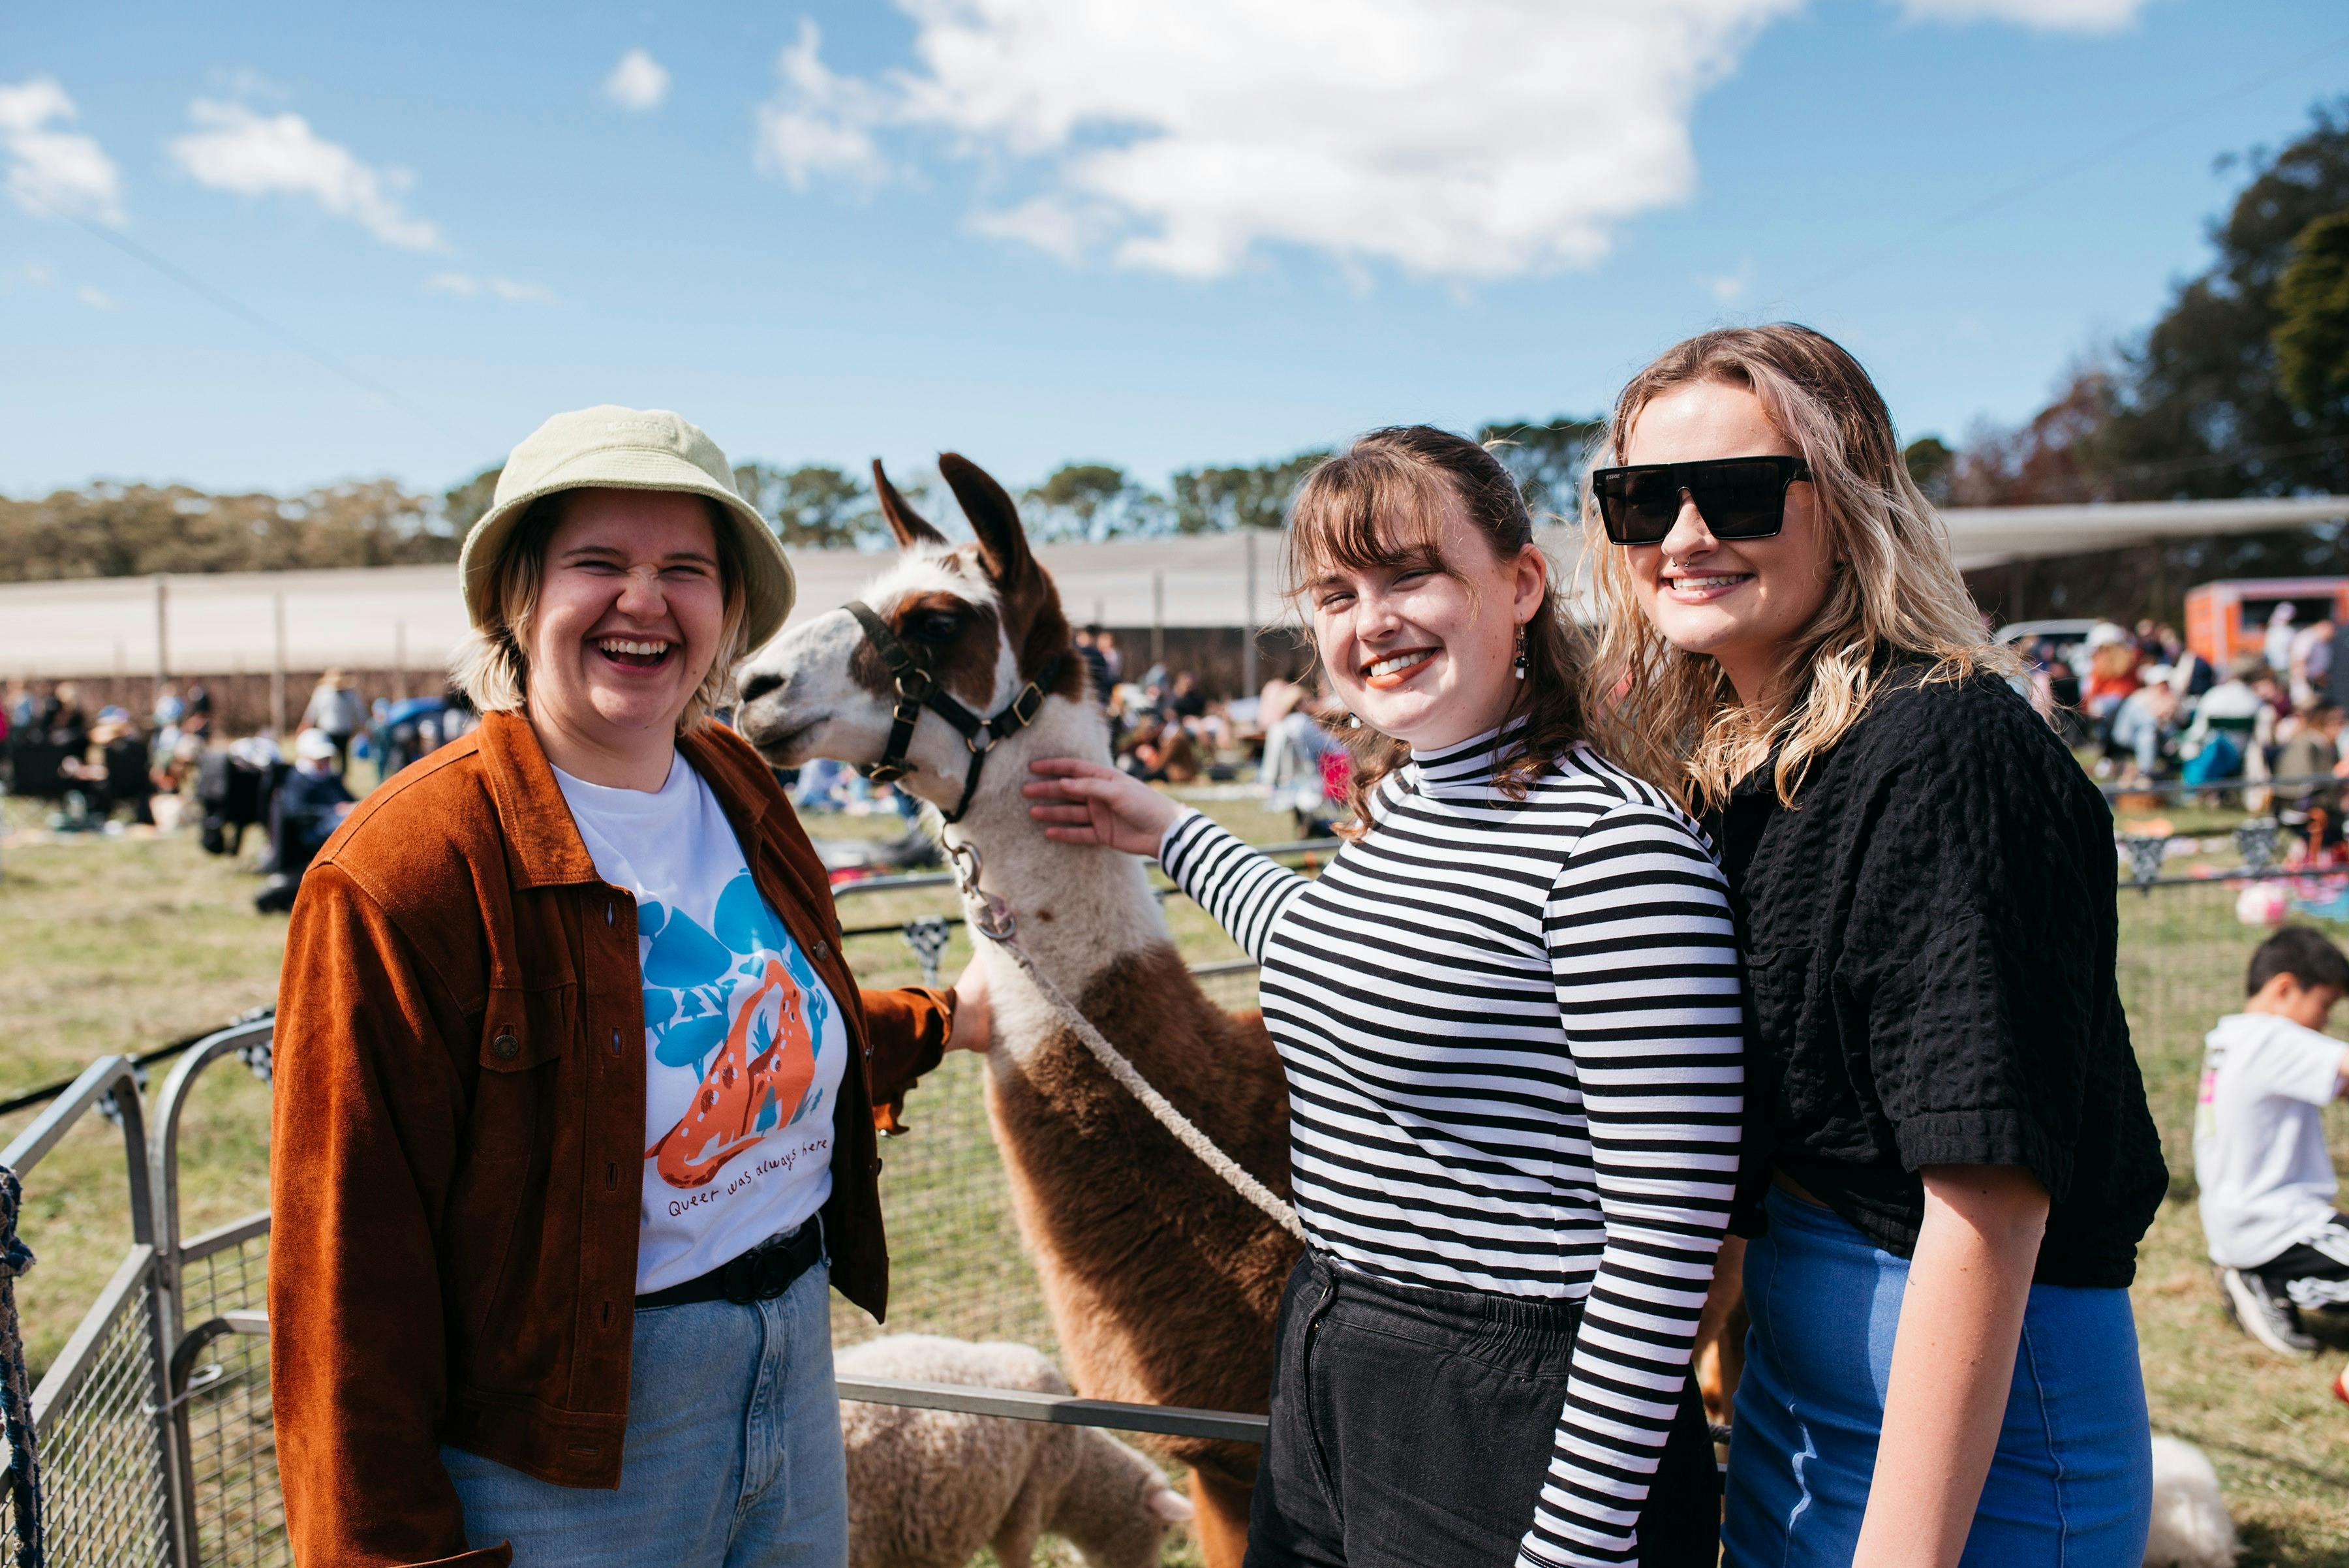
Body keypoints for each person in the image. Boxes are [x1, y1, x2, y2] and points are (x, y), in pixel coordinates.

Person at [268, 406, 988, 1568]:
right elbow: (348, 1265)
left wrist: (936, 1023)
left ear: (728, 611)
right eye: (599, 562)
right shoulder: (407, 871)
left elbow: (748, 1038)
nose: (644, 601)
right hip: (578, 1440)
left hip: (795, 1361)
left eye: (686, 570)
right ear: (516, 595)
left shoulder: (739, 784)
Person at [1023, 424, 1742, 1567]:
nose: (1374, 621)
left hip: (1516, 1412)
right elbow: (1321, 945)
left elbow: (1667, 1236)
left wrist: (1578, 1538)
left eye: (1413, 574)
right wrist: (1164, 828)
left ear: (1519, 582)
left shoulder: (1616, 856)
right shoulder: (1403, 813)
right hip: (1336, 1347)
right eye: (1337, 592)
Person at [1584, 324, 2166, 1567]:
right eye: (1642, 502)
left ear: (1848, 502)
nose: (1685, 537)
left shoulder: (1947, 749)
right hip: (1793, 1396)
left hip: (1976, 1436)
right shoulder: (1732, 772)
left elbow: (1989, 1196)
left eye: (1737, 491)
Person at [2196, 926, 2349, 1359]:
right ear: (2284, 987)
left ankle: (2262, 1275)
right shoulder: (2271, 1036)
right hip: (2278, 1225)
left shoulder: (2230, 1038)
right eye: (2325, 1004)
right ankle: (2266, 1282)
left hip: (2243, 1219)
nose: (2325, 1021)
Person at [255, 729, 355, 913]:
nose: (323, 762)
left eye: (326, 757)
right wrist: (333, 811)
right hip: (312, 834)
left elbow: (350, 800)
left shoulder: (331, 779)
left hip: (339, 825)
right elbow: (296, 812)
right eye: (319, 758)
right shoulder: (296, 779)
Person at [301, 668, 367, 776]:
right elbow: (313, 711)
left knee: (343, 762)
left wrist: (364, 726)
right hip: (327, 732)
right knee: (327, 759)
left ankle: (342, 780)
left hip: (344, 732)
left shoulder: (350, 695)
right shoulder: (322, 693)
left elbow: (359, 711)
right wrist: (306, 725)